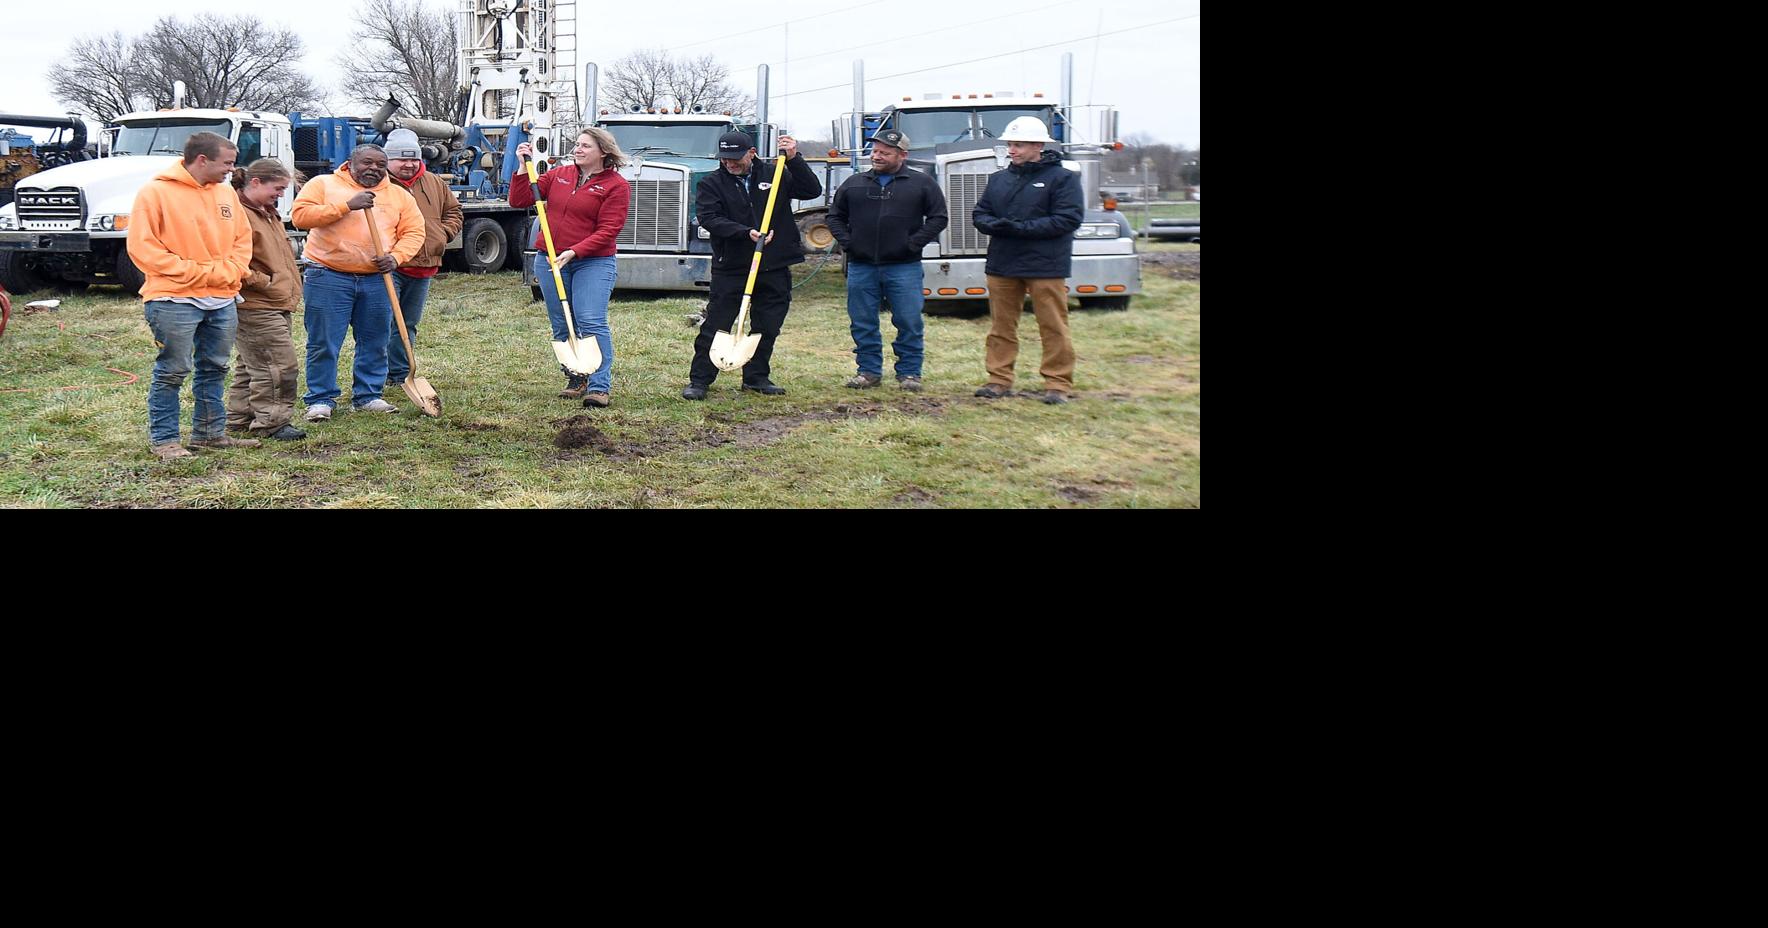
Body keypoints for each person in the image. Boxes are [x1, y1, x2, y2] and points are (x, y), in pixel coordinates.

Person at [125, 131, 255, 459]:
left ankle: (210, 434)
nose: (231, 169)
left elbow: (243, 239)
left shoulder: (226, 194)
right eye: (226, 163)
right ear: (202, 159)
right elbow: (143, 248)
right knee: (173, 370)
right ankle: (165, 440)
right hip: (173, 299)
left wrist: (231, 271)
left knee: (215, 367)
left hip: (222, 299)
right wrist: (199, 272)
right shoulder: (155, 193)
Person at [680, 130, 822, 400]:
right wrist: (744, 232)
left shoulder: (775, 173)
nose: (729, 164)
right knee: (717, 323)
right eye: (724, 159)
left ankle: (756, 377)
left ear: (752, 153)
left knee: (767, 324)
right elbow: (709, 218)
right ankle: (699, 380)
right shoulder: (712, 183)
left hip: (774, 263)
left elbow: (811, 190)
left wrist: (794, 159)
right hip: (732, 265)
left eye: (735, 158)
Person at [291, 144, 425, 421]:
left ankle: (368, 395)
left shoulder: (398, 195)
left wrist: (397, 258)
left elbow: (414, 231)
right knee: (324, 341)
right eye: (367, 163)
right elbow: (301, 217)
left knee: (375, 340)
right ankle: (320, 399)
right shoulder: (323, 184)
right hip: (327, 274)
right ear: (350, 163)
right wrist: (346, 206)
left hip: (377, 278)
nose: (373, 169)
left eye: (379, 164)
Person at [510, 129, 630, 407]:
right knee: (562, 322)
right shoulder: (558, 175)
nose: (578, 149)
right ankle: (576, 377)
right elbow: (518, 200)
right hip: (550, 258)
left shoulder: (616, 186)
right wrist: (520, 167)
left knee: (590, 320)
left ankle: (599, 385)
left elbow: (609, 229)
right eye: (577, 145)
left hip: (593, 261)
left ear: (603, 151)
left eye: (585, 146)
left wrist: (575, 251)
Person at [969, 116, 1084, 405]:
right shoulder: (998, 180)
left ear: (1037, 145)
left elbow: (1068, 219)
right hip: (1003, 264)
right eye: (1010, 144)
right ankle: (999, 379)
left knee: (1053, 325)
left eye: (1018, 144)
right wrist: (995, 226)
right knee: (1001, 326)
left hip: (1046, 265)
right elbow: (980, 213)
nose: (1012, 150)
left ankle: (1058, 383)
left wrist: (1020, 229)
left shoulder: (1063, 179)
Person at [825, 128, 947, 392]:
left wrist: (913, 244)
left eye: (884, 153)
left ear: (901, 155)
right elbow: (834, 217)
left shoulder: (921, 184)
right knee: (862, 321)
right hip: (861, 266)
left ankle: (910, 373)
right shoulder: (854, 183)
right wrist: (848, 243)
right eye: (875, 151)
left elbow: (938, 218)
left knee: (908, 320)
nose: (876, 156)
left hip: (904, 267)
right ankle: (868, 371)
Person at [224, 158, 306, 441]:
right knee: (279, 365)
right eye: (278, 187)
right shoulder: (237, 214)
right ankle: (272, 423)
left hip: (274, 301)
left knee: (253, 364)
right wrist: (266, 283)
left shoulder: (265, 213)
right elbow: (230, 260)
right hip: (257, 303)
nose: (281, 194)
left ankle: (239, 418)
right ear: (255, 182)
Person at [382, 128, 464, 386]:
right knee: (386, 322)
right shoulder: (379, 184)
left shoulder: (434, 182)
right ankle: (383, 374)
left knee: (409, 323)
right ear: (388, 159)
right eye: (401, 159)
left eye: (413, 159)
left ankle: (401, 373)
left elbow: (454, 212)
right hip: (391, 265)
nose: (408, 165)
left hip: (425, 265)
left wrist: (442, 234)